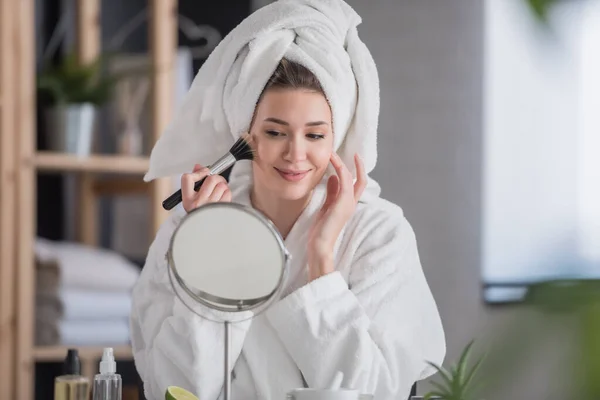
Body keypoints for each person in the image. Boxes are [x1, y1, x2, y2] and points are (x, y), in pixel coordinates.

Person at [130, 2, 445, 400]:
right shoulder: (185, 230)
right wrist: (211, 250)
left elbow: (378, 393)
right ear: (247, 134)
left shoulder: (378, 235)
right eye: (276, 132)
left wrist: (321, 261)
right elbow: (171, 390)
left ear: (337, 137)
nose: (296, 154)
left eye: (315, 135)